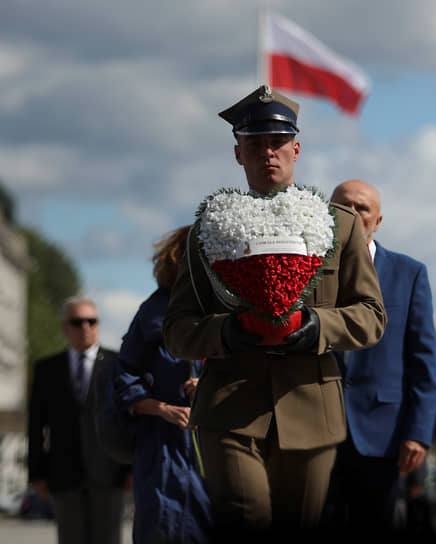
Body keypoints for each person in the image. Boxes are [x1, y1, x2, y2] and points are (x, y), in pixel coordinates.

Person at [162, 85, 386, 535]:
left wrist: (318, 325)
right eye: (255, 144)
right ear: (238, 155)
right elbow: (177, 329)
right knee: (248, 520)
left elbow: (371, 315)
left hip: (311, 408)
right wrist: (223, 334)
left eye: (277, 143)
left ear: (296, 148)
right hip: (229, 407)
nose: (268, 153)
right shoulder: (209, 228)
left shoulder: (339, 224)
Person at [323, 179, 436, 531]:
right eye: (343, 206)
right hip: (314, 428)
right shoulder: (304, 271)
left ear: (377, 221)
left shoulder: (409, 274)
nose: (352, 214)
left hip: (381, 434)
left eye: (362, 208)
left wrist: (418, 433)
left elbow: (424, 360)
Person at [113, 225, 212, 543]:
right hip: (163, 448)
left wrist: (213, 387)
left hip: (217, 446)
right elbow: (124, 378)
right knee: (162, 527)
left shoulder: (233, 307)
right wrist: (162, 409)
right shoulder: (153, 311)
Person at [27, 295, 130, 544]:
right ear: (65, 327)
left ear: (97, 325)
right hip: (63, 474)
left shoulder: (118, 365)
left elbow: (128, 421)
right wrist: (36, 474)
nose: (85, 327)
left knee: (108, 539)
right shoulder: (47, 369)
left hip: (110, 473)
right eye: (77, 322)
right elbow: (36, 425)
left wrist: (132, 468)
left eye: (91, 321)